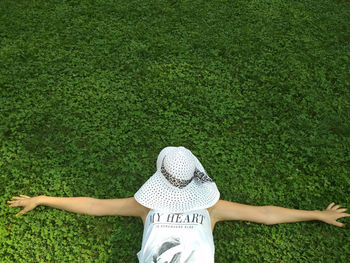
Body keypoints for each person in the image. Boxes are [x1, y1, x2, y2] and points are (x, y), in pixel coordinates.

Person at [8, 146, 349, 263]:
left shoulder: (210, 209)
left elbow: (264, 215)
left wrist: (318, 214)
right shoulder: (146, 206)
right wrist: (43, 199)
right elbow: (96, 206)